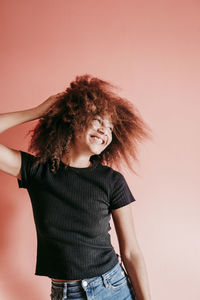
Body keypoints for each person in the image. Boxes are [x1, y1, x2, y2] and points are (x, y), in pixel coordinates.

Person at [0, 74, 152, 300]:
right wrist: (39, 110)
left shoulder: (112, 180)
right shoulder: (37, 171)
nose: (104, 131)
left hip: (113, 287)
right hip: (65, 294)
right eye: (98, 120)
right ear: (73, 119)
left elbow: (131, 252)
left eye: (111, 128)